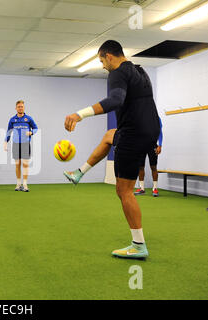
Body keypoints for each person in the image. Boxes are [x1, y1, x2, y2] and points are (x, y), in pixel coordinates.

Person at [64, 40, 160, 259]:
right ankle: (79, 173)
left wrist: (79, 114)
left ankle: (138, 245)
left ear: (108, 56)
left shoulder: (117, 72)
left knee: (123, 190)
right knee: (109, 136)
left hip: (133, 134)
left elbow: (115, 100)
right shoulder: (140, 71)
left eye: (101, 61)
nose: (102, 66)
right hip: (150, 132)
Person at [4, 100, 38, 192]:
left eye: (22, 106)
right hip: (16, 144)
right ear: (16, 108)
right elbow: (8, 131)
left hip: (25, 144)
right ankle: (18, 184)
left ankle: (25, 185)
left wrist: (31, 132)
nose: (20, 108)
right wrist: (5, 142)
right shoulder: (12, 120)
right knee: (17, 164)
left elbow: (36, 128)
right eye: (19, 106)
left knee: (25, 164)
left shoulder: (29, 119)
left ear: (24, 108)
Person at [134, 117, 163, 197]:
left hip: (152, 145)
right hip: (141, 145)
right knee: (140, 167)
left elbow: (160, 132)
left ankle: (155, 188)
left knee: (153, 167)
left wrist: (160, 145)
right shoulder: (140, 117)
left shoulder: (156, 118)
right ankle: (142, 188)